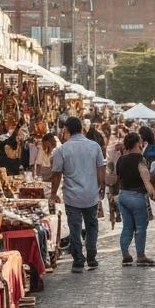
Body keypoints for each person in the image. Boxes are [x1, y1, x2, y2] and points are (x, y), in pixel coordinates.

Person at [50, 115, 106, 273]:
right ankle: (92, 257)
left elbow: (56, 173)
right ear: (82, 129)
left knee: (75, 228)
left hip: (72, 196)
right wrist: (101, 186)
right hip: (91, 194)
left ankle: (78, 260)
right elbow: (100, 169)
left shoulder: (62, 149)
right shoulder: (94, 146)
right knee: (92, 225)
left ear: (66, 130)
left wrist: (53, 194)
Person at [116, 132, 155, 267]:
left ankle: (125, 253)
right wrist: (151, 191)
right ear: (138, 143)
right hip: (137, 196)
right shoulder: (140, 159)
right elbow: (144, 175)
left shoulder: (121, 159)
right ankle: (141, 256)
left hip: (123, 195)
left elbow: (117, 178)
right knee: (140, 227)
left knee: (127, 226)